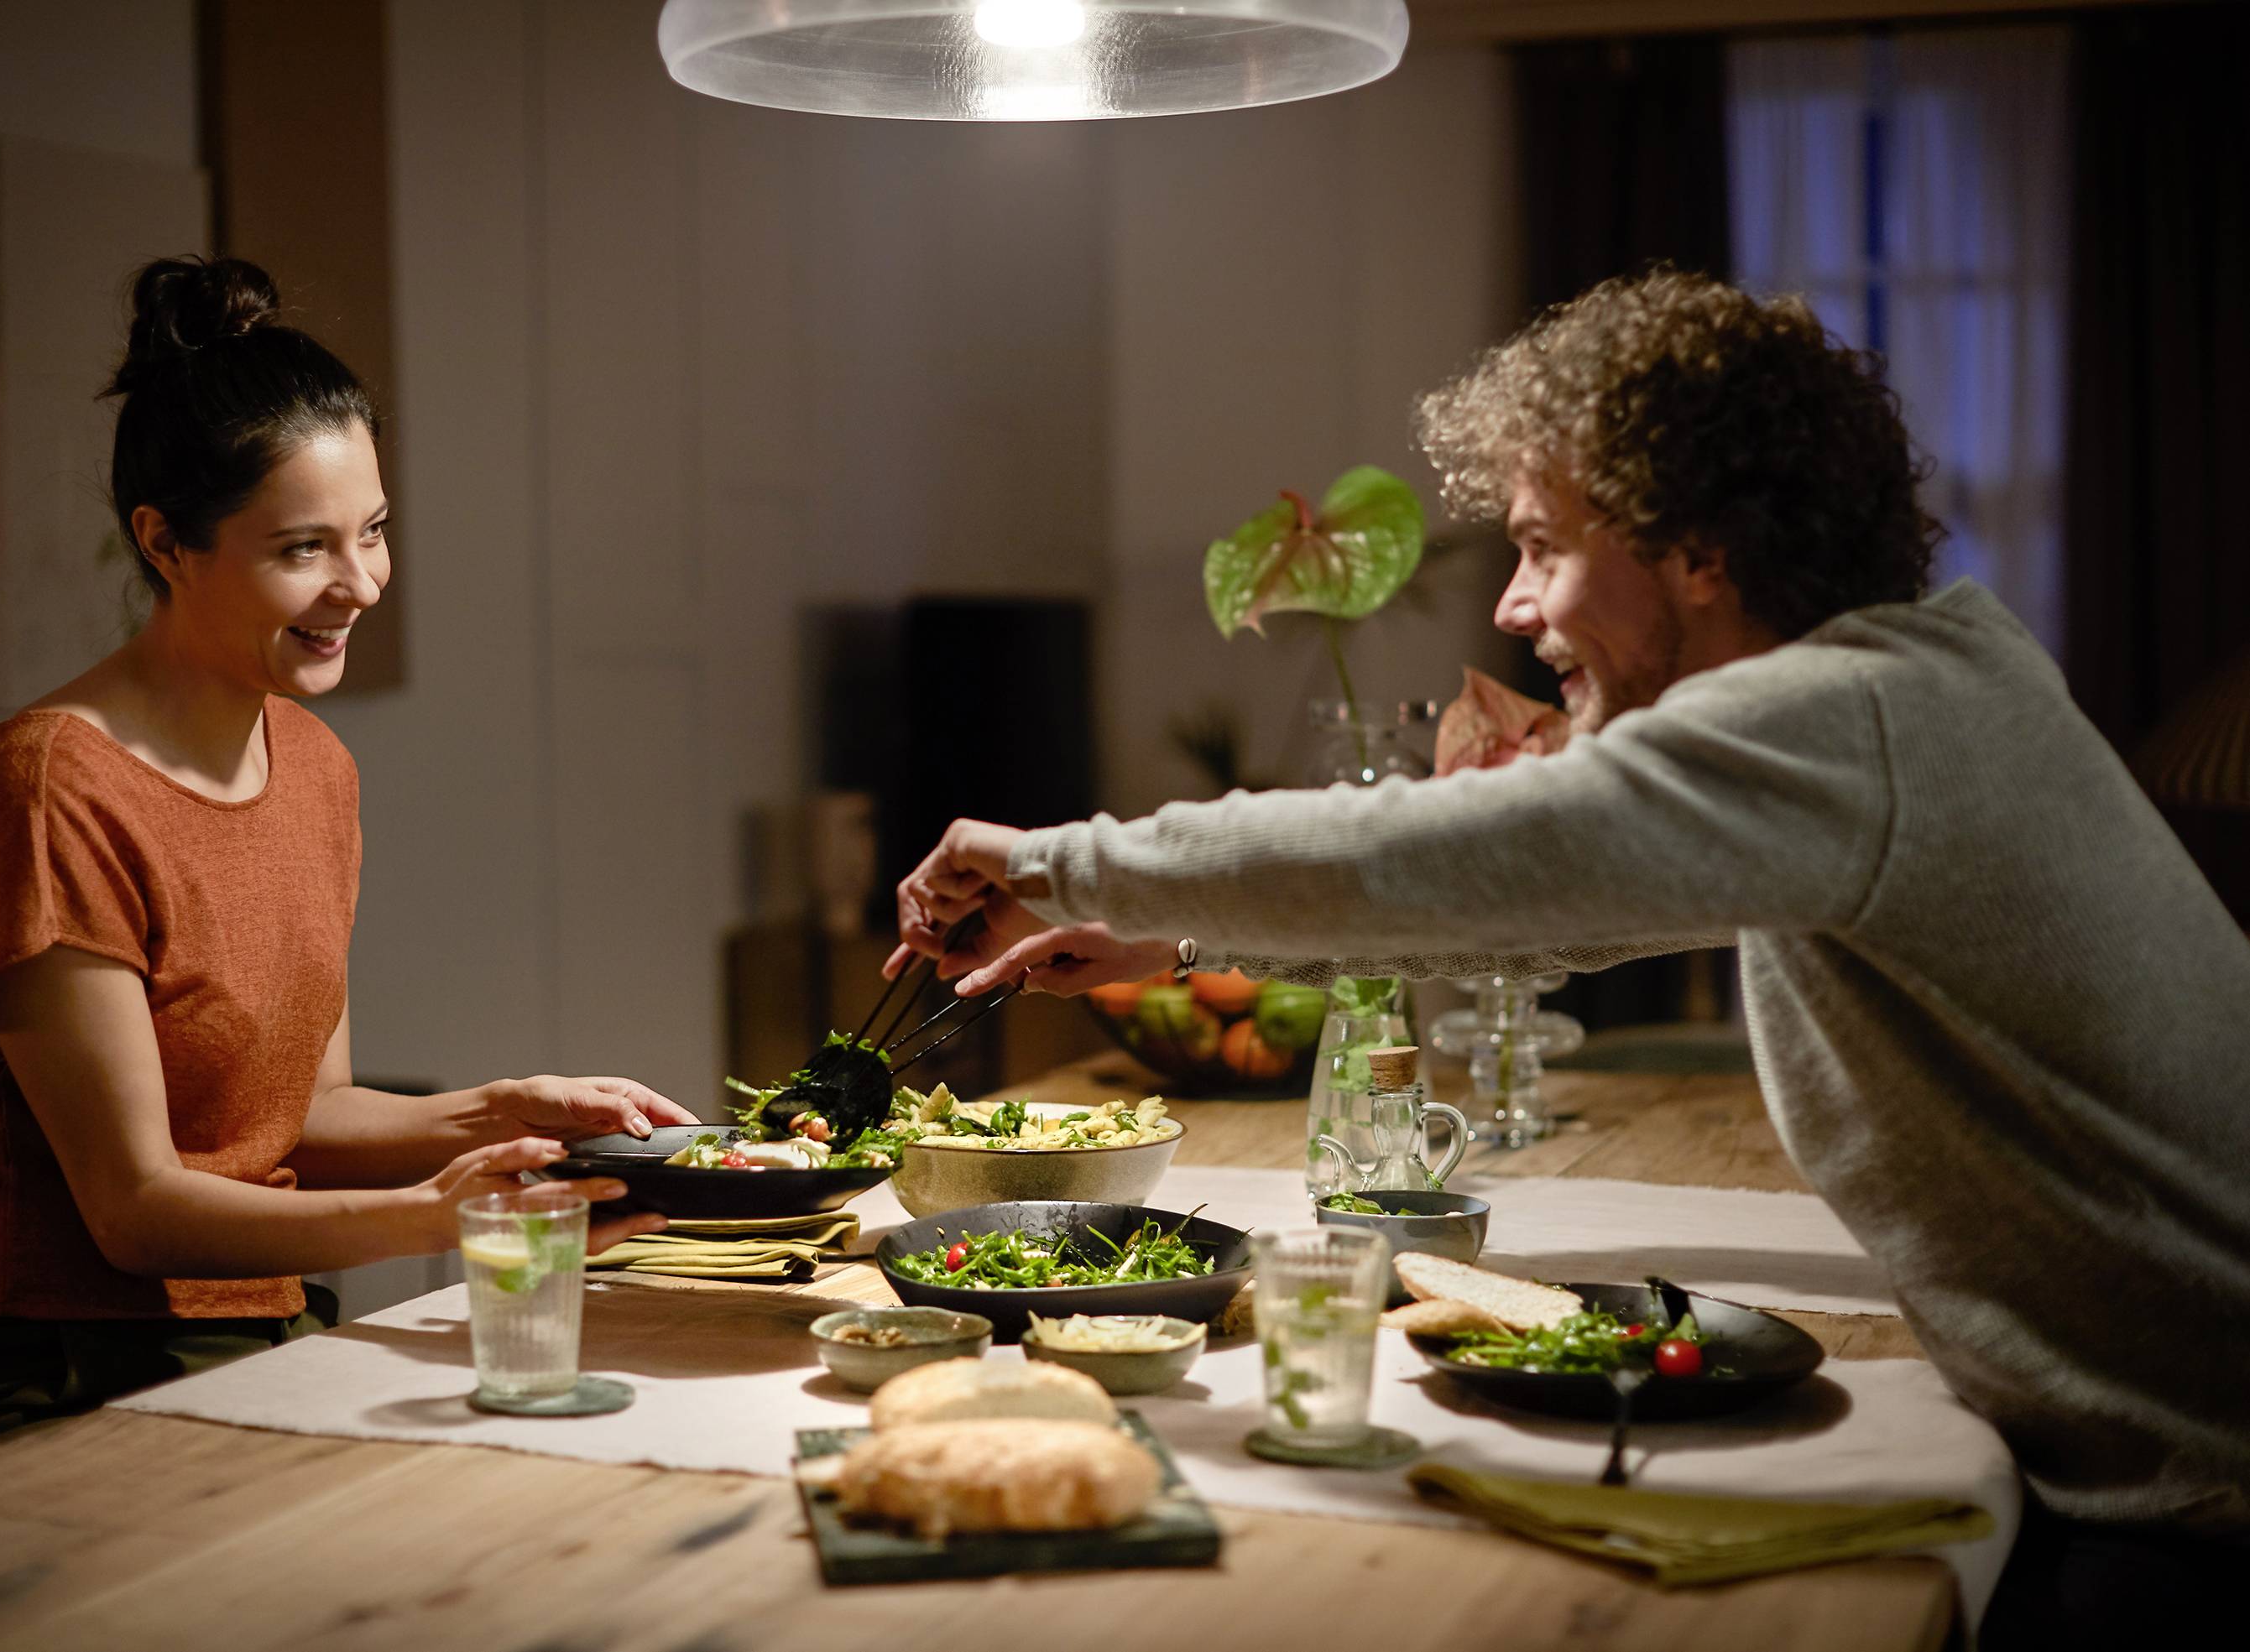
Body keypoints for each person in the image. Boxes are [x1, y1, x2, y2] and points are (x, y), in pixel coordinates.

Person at [890, 271, 2250, 1631]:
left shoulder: (1852, 716)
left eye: (1542, 548)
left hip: (2194, 1509)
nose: (1512, 608)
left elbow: (1434, 855)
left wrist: (1056, 857)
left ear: (1701, 549)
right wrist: (1170, 926)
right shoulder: (1910, 690)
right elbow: (1565, 906)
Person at [0, 257, 689, 1488]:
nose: (360, 585)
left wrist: (507, 1118)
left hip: (256, 1341)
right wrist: (443, 1212)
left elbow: (297, 1118)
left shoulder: (313, 764)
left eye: (375, 530)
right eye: (304, 548)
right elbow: (136, 1208)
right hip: (42, 1391)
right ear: (163, 542)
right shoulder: (48, 788)